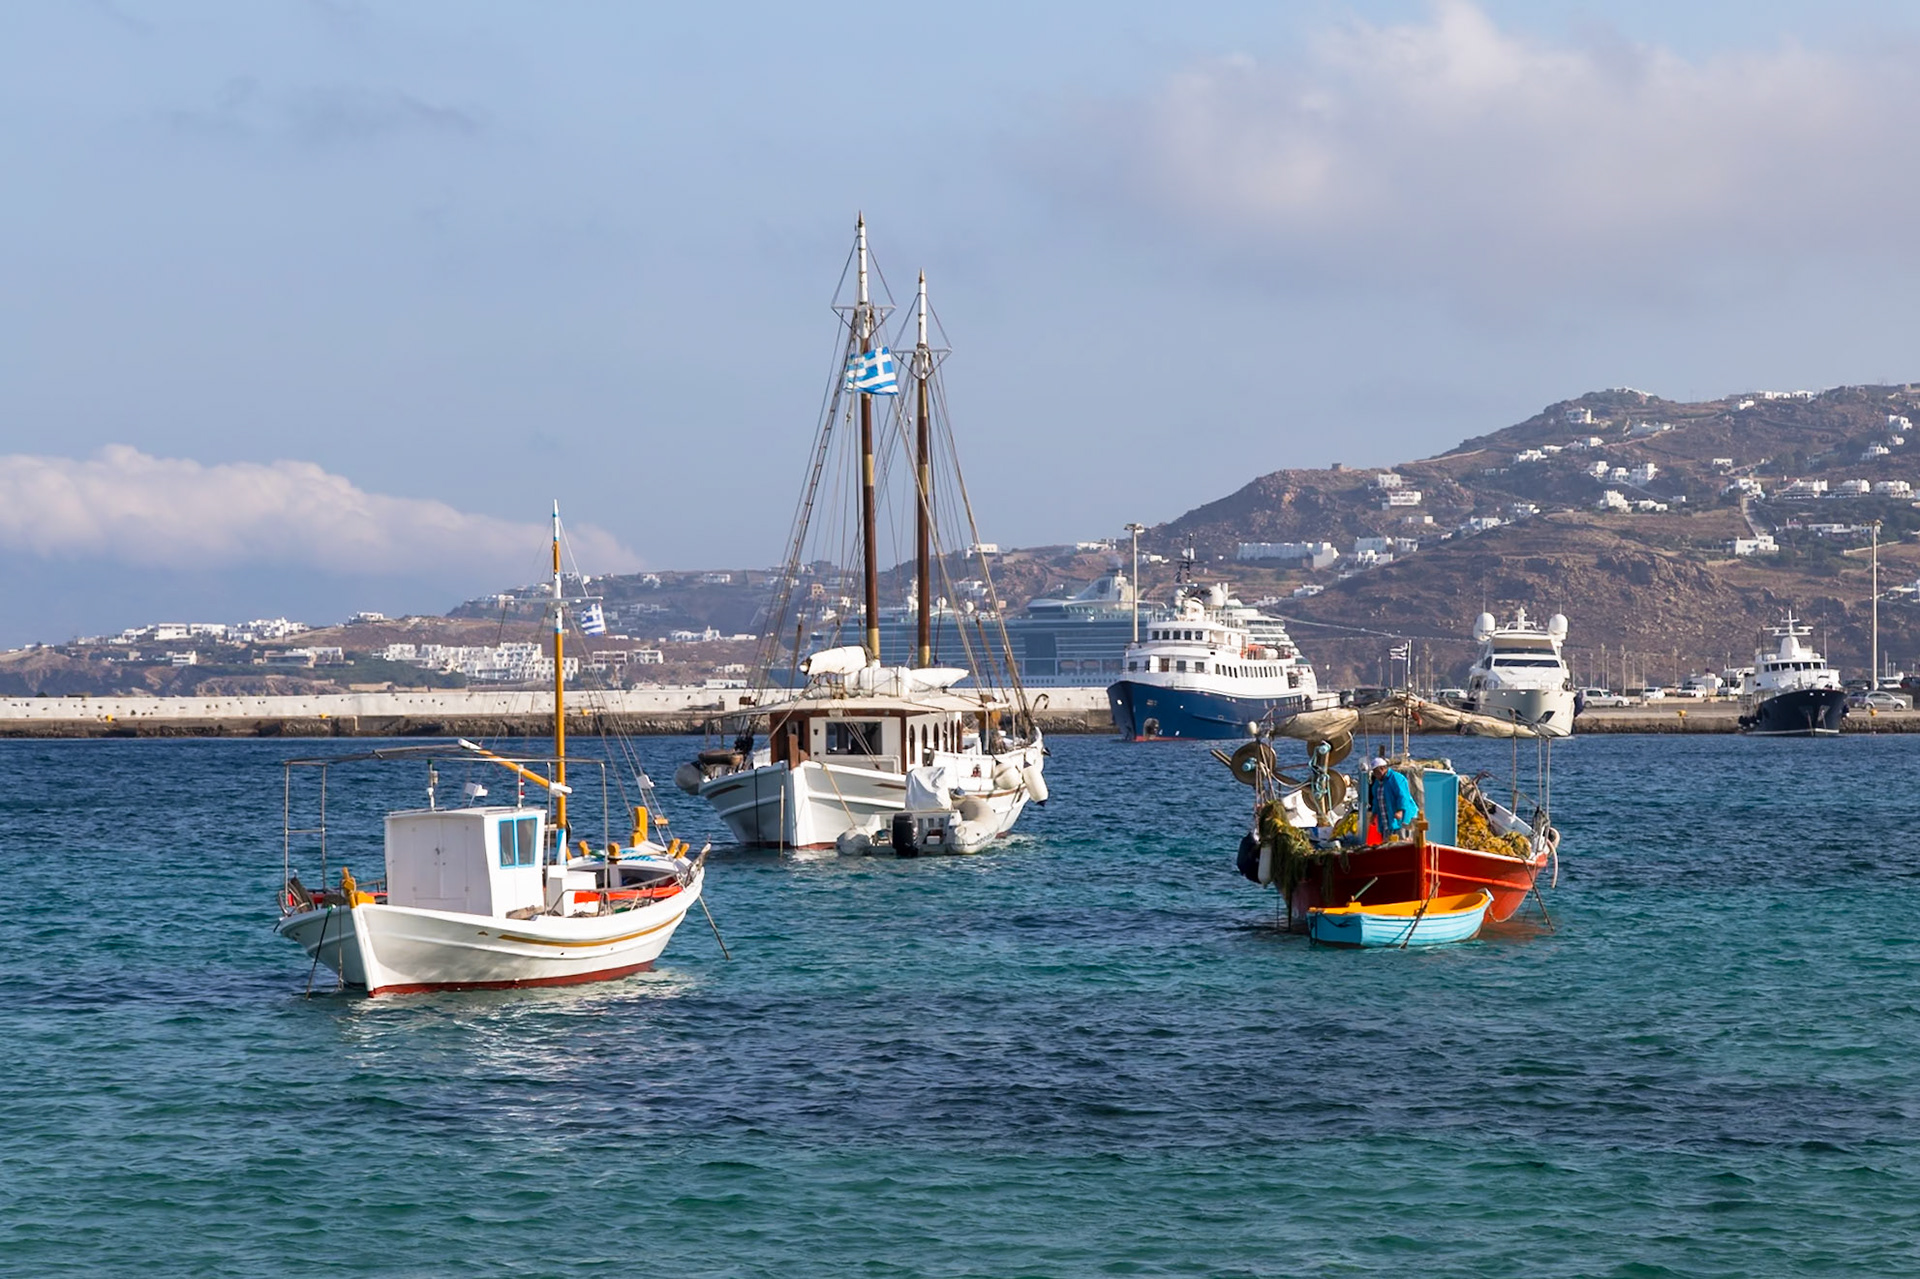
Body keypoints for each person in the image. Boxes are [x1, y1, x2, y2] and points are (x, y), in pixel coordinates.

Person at [1368, 755, 1416, 841]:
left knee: (1402, 841)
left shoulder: (1396, 778)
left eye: (1375, 771)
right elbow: (1376, 800)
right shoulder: (1377, 784)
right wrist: (1373, 814)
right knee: (1388, 842)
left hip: (1401, 820)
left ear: (1382, 769)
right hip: (1386, 821)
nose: (1374, 774)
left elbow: (1403, 796)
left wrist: (1400, 810)